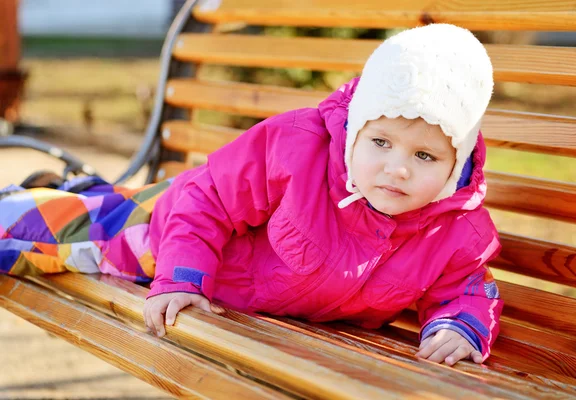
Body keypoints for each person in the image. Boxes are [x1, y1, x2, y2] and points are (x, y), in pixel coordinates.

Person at [0, 23, 502, 366]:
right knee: (49, 234)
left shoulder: (455, 228)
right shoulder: (299, 148)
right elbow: (207, 199)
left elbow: (466, 287)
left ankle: (85, 190)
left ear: (456, 163)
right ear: (352, 132)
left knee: (95, 206)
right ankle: (41, 201)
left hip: (243, 276)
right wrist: (183, 280)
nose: (397, 170)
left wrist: (460, 326)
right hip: (169, 230)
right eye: (381, 143)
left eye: (425, 157)